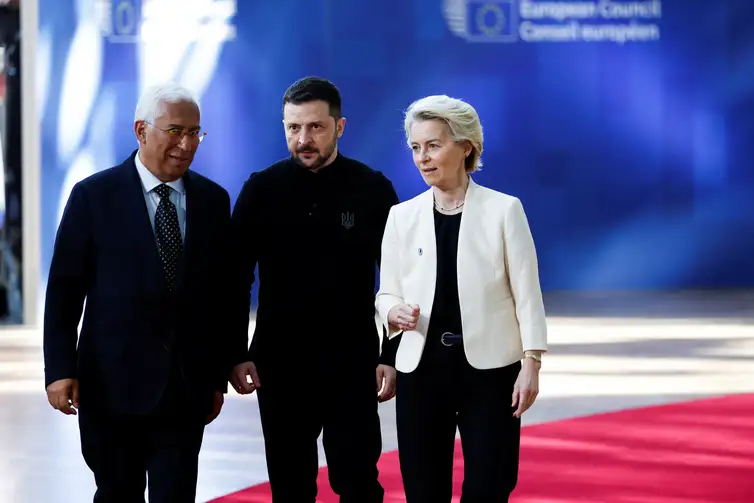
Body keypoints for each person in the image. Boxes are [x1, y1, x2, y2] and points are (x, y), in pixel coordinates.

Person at [43, 82, 233, 503]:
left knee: (176, 493)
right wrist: (59, 368)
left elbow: (222, 296)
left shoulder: (213, 202)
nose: (186, 145)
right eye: (175, 131)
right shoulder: (94, 197)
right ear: (140, 131)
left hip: (185, 389)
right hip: (110, 386)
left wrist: (217, 375)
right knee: (117, 493)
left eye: (195, 133)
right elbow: (63, 292)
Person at [228, 76, 400, 503]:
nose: (303, 139)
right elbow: (233, 279)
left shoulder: (372, 189)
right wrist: (236, 352)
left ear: (340, 126)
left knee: (359, 482)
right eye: (293, 127)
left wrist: (390, 356)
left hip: (353, 362)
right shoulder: (260, 190)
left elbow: (398, 280)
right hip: (279, 363)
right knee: (289, 486)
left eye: (316, 127)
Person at [375, 95, 548, 502]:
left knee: (491, 485)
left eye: (433, 145)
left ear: (465, 146)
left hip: (490, 372)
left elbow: (527, 293)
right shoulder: (402, 216)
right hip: (421, 370)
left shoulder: (505, 210)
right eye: (416, 148)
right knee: (422, 487)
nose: (423, 158)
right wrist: (392, 310)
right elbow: (385, 292)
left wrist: (532, 363)